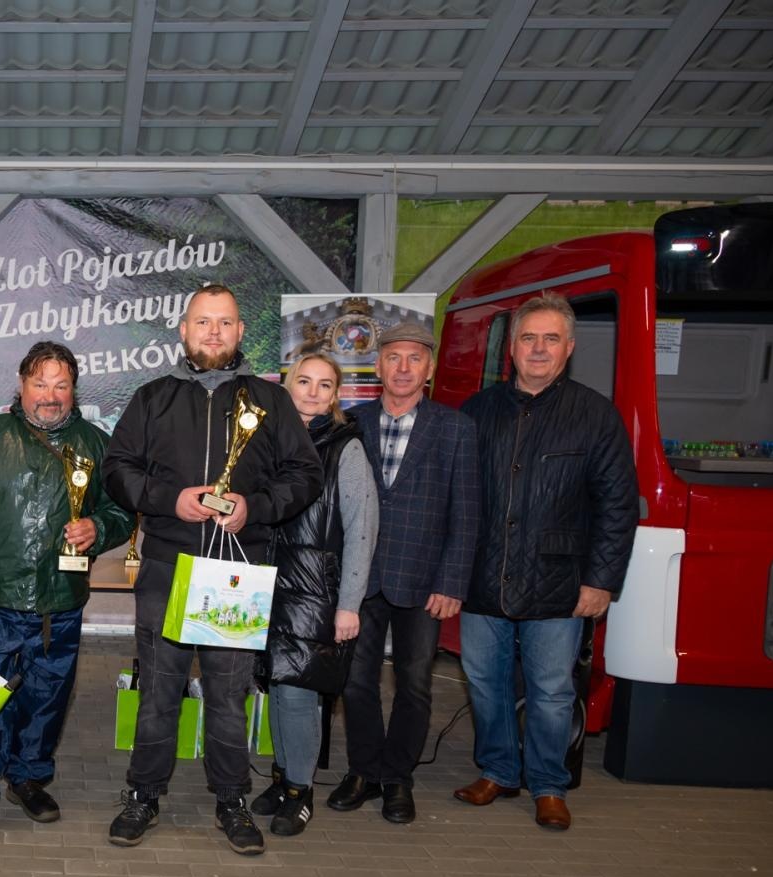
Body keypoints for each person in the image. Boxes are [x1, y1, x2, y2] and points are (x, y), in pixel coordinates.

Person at [102, 284, 324, 855]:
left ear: (241, 332)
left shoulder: (271, 403)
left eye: (225, 323)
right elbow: (116, 470)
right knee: (159, 691)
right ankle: (143, 794)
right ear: (183, 330)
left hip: (238, 570)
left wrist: (258, 507)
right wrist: (166, 499)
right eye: (203, 322)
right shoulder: (153, 398)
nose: (214, 333)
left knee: (230, 695)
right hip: (168, 566)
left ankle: (232, 799)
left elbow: (305, 474)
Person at [0, 341, 134, 843]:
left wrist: (98, 529)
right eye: (40, 383)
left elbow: (121, 512)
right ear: (21, 386)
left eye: (61, 385)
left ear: (74, 390)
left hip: (60, 604)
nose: (50, 395)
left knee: (46, 702)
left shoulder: (95, 442)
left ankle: (27, 778)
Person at [456, 292, 636, 831]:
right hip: (483, 575)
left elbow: (617, 505)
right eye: (528, 338)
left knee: (553, 690)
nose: (538, 349)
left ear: (569, 347)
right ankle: (498, 771)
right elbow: (456, 497)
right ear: (511, 348)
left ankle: (550, 785)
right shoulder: (477, 412)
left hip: (559, 580)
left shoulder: (594, 415)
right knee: (484, 682)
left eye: (550, 338)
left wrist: (601, 580)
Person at [327, 321, 479, 825]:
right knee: (356, 683)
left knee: (415, 684)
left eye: (415, 358)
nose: (404, 367)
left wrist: (452, 582)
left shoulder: (455, 429)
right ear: (378, 365)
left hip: (424, 580)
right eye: (394, 357)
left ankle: (397, 778)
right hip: (361, 579)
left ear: (430, 369)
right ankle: (364, 771)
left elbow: (467, 512)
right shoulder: (351, 423)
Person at [253, 352, 377, 837]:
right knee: (277, 687)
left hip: (316, 593)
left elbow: (363, 529)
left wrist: (349, 604)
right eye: (303, 381)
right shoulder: (264, 442)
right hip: (268, 585)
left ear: (335, 396)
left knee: (300, 694)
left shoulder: (346, 448)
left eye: (324, 385)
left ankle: (302, 793)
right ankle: (284, 779)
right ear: (286, 386)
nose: (312, 391)